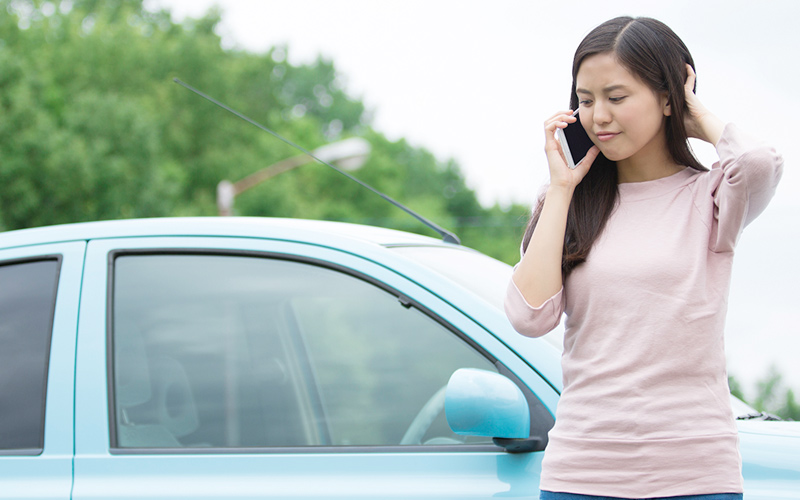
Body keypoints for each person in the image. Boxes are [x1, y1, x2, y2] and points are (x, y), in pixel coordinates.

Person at [504, 16, 783, 500]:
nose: (598, 117)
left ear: (668, 98)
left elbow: (759, 163)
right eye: (586, 101)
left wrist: (695, 115)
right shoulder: (565, 203)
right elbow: (529, 316)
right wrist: (563, 188)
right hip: (581, 475)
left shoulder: (712, 197)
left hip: (695, 476)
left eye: (616, 97)